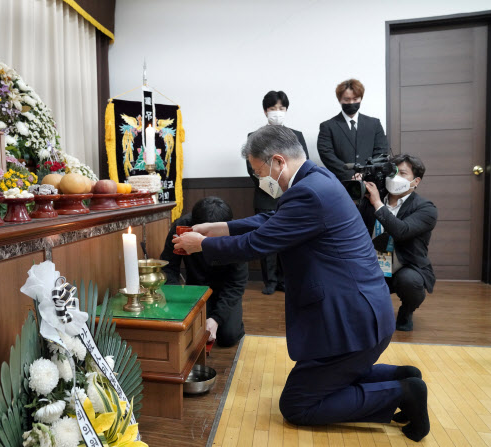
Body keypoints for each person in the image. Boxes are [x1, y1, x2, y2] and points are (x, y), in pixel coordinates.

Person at [174, 125, 429, 442]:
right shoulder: (316, 179)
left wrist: (203, 245)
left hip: (353, 321)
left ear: (278, 162)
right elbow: (273, 221)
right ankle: (402, 377)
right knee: (323, 380)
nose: (260, 180)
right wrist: (222, 227)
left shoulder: (309, 191)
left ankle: (402, 392)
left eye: (259, 172)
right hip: (359, 313)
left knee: (297, 405)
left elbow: (258, 243)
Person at [359, 154, 437, 331]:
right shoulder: (371, 198)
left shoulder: (425, 208)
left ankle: (407, 311)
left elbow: (401, 231)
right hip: (372, 266)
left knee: (410, 281)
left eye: (402, 173)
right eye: (392, 172)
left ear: (416, 181)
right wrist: (357, 190)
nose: (395, 178)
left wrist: (378, 203)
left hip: (404, 267)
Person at [160, 196, 247, 347]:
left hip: (225, 289)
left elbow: (236, 283)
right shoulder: (182, 227)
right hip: (195, 288)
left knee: (228, 337)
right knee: (194, 332)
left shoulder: (235, 233)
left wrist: (216, 319)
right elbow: (168, 267)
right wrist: (176, 300)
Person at [246, 90, 309, 295]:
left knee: (289, 239)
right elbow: (252, 170)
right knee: (266, 237)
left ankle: (285, 279)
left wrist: (287, 189)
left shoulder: (296, 135)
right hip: (265, 196)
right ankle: (270, 281)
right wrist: (274, 188)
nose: (277, 112)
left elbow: (302, 163)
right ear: (266, 111)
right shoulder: (254, 136)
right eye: (273, 108)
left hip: (291, 195)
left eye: (281, 108)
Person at [317, 79, 389, 182]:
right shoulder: (327, 126)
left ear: (361, 98)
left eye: (355, 99)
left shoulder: (374, 123)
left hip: (370, 181)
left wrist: (365, 173)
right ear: (340, 100)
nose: (351, 102)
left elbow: (381, 151)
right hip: (341, 182)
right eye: (347, 99)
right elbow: (327, 155)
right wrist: (350, 174)